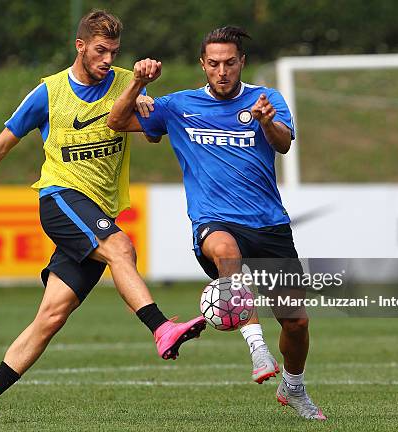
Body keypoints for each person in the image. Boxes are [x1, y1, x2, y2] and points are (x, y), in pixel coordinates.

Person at [0, 10, 206, 425]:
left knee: (51, 316)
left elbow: (147, 122)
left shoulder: (124, 83)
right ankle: (160, 327)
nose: (106, 58)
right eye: (100, 50)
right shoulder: (49, 92)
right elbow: (2, 143)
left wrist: (144, 99)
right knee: (121, 248)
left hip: (95, 212)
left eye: (113, 51)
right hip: (61, 198)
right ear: (79, 46)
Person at [107, 26, 326, 421]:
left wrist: (266, 122)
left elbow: (283, 143)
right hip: (215, 220)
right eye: (213, 64)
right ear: (202, 65)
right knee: (226, 251)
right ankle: (257, 347)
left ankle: (293, 387)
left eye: (229, 63)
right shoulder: (177, 106)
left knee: (295, 322)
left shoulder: (267, 99)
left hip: (269, 224)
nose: (221, 71)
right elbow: (116, 122)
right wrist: (137, 82)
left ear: (241, 62)